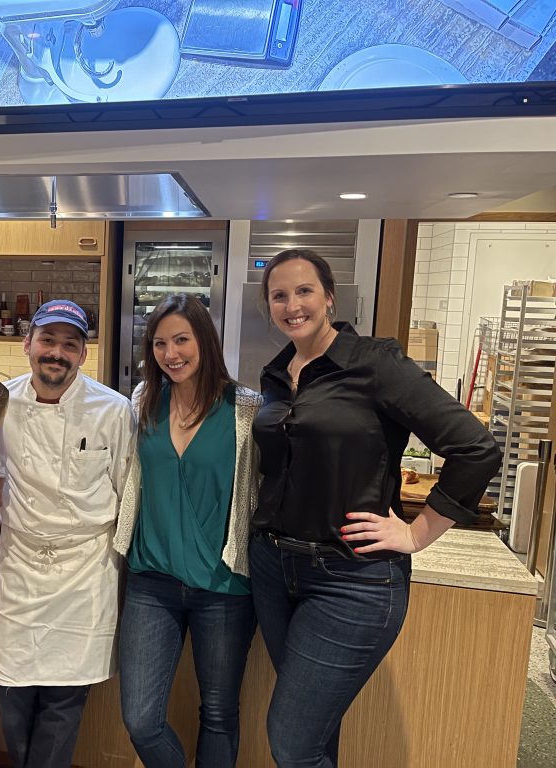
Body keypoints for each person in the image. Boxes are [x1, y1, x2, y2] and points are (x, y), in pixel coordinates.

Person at [248, 249, 502, 767]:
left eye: (304, 291)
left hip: (351, 579)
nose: (292, 305)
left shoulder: (374, 362)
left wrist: (418, 533)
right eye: (279, 295)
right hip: (275, 569)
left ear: (329, 297)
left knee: (291, 740)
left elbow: (476, 447)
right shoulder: (276, 374)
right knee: (315, 735)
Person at [0, 299, 135, 768]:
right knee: (11, 695)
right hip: (21, 568)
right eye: (48, 340)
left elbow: (129, 492)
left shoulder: (113, 410)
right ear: (28, 345)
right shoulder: (1, 403)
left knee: (64, 706)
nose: (57, 353)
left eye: (70, 344)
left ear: (83, 355)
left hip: (85, 572)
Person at [113, 293, 260, 767]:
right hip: (151, 583)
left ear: (205, 340)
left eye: (181, 340)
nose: (171, 354)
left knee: (218, 713)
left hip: (224, 585)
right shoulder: (143, 400)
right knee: (140, 718)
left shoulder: (246, 409)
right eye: (159, 343)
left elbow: (265, 487)